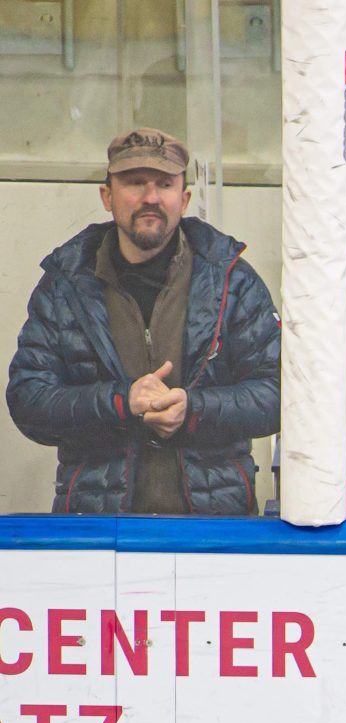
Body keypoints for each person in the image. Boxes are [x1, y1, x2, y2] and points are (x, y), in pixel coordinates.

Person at [6, 128, 278, 514]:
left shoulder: (232, 279)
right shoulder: (64, 283)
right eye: (135, 183)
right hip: (97, 527)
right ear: (107, 196)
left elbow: (277, 394)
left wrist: (193, 409)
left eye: (165, 184)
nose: (151, 197)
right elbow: (28, 400)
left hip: (214, 530)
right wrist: (121, 401)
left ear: (183, 200)